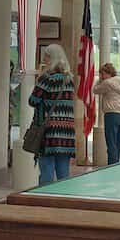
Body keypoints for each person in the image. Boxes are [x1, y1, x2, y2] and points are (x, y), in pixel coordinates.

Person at [28, 44, 77, 185]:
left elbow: (32, 101)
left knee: (47, 172)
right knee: (63, 173)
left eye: (46, 55)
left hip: (49, 131)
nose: (44, 58)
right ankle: (63, 199)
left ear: (52, 58)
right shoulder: (69, 79)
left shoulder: (47, 78)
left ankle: (44, 201)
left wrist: (38, 80)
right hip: (67, 132)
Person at [94, 63, 120, 165]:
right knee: (118, 143)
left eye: (102, 74)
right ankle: (116, 164)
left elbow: (95, 90)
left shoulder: (107, 83)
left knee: (111, 142)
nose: (101, 76)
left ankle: (112, 166)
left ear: (108, 73)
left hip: (112, 114)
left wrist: (99, 80)